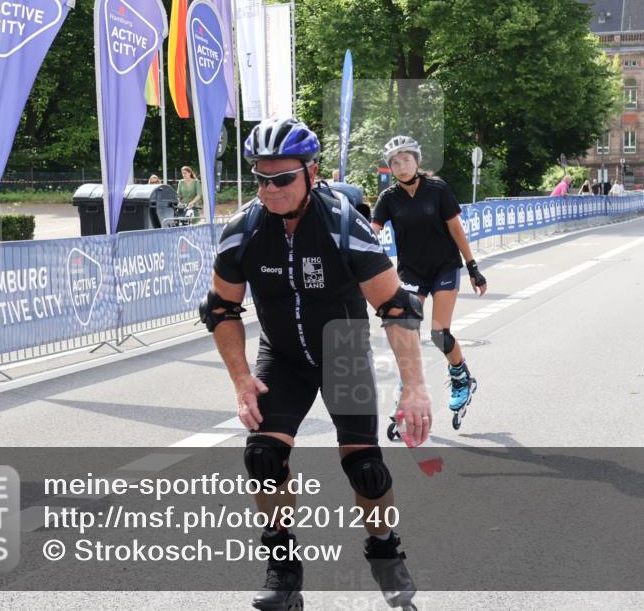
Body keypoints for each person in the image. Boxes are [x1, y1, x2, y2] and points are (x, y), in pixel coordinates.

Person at [204, 118, 430, 611]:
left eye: (282, 178)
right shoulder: (242, 231)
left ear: (312, 171)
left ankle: (385, 552)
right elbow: (220, 310)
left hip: (342, 351)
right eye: (260, 178)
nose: (269, 189)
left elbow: (396, 308)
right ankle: (284, 573)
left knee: (365, 469)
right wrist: (242, 379)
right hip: (282, 358)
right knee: (262, 457)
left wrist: (413, 388)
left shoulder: (344, 225)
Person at [371, 135, 488, 432]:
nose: (401, 166)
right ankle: (407, 392)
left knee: (438, 333)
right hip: (411, 272)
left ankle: (462, 377)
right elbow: (372, 233)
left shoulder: (437, 189)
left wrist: (473, 267)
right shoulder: (388, 199)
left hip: (444, 267)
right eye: (395, 162)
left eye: (406, 160)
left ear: (417, 161)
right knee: (405, 330)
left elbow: (456, 229)